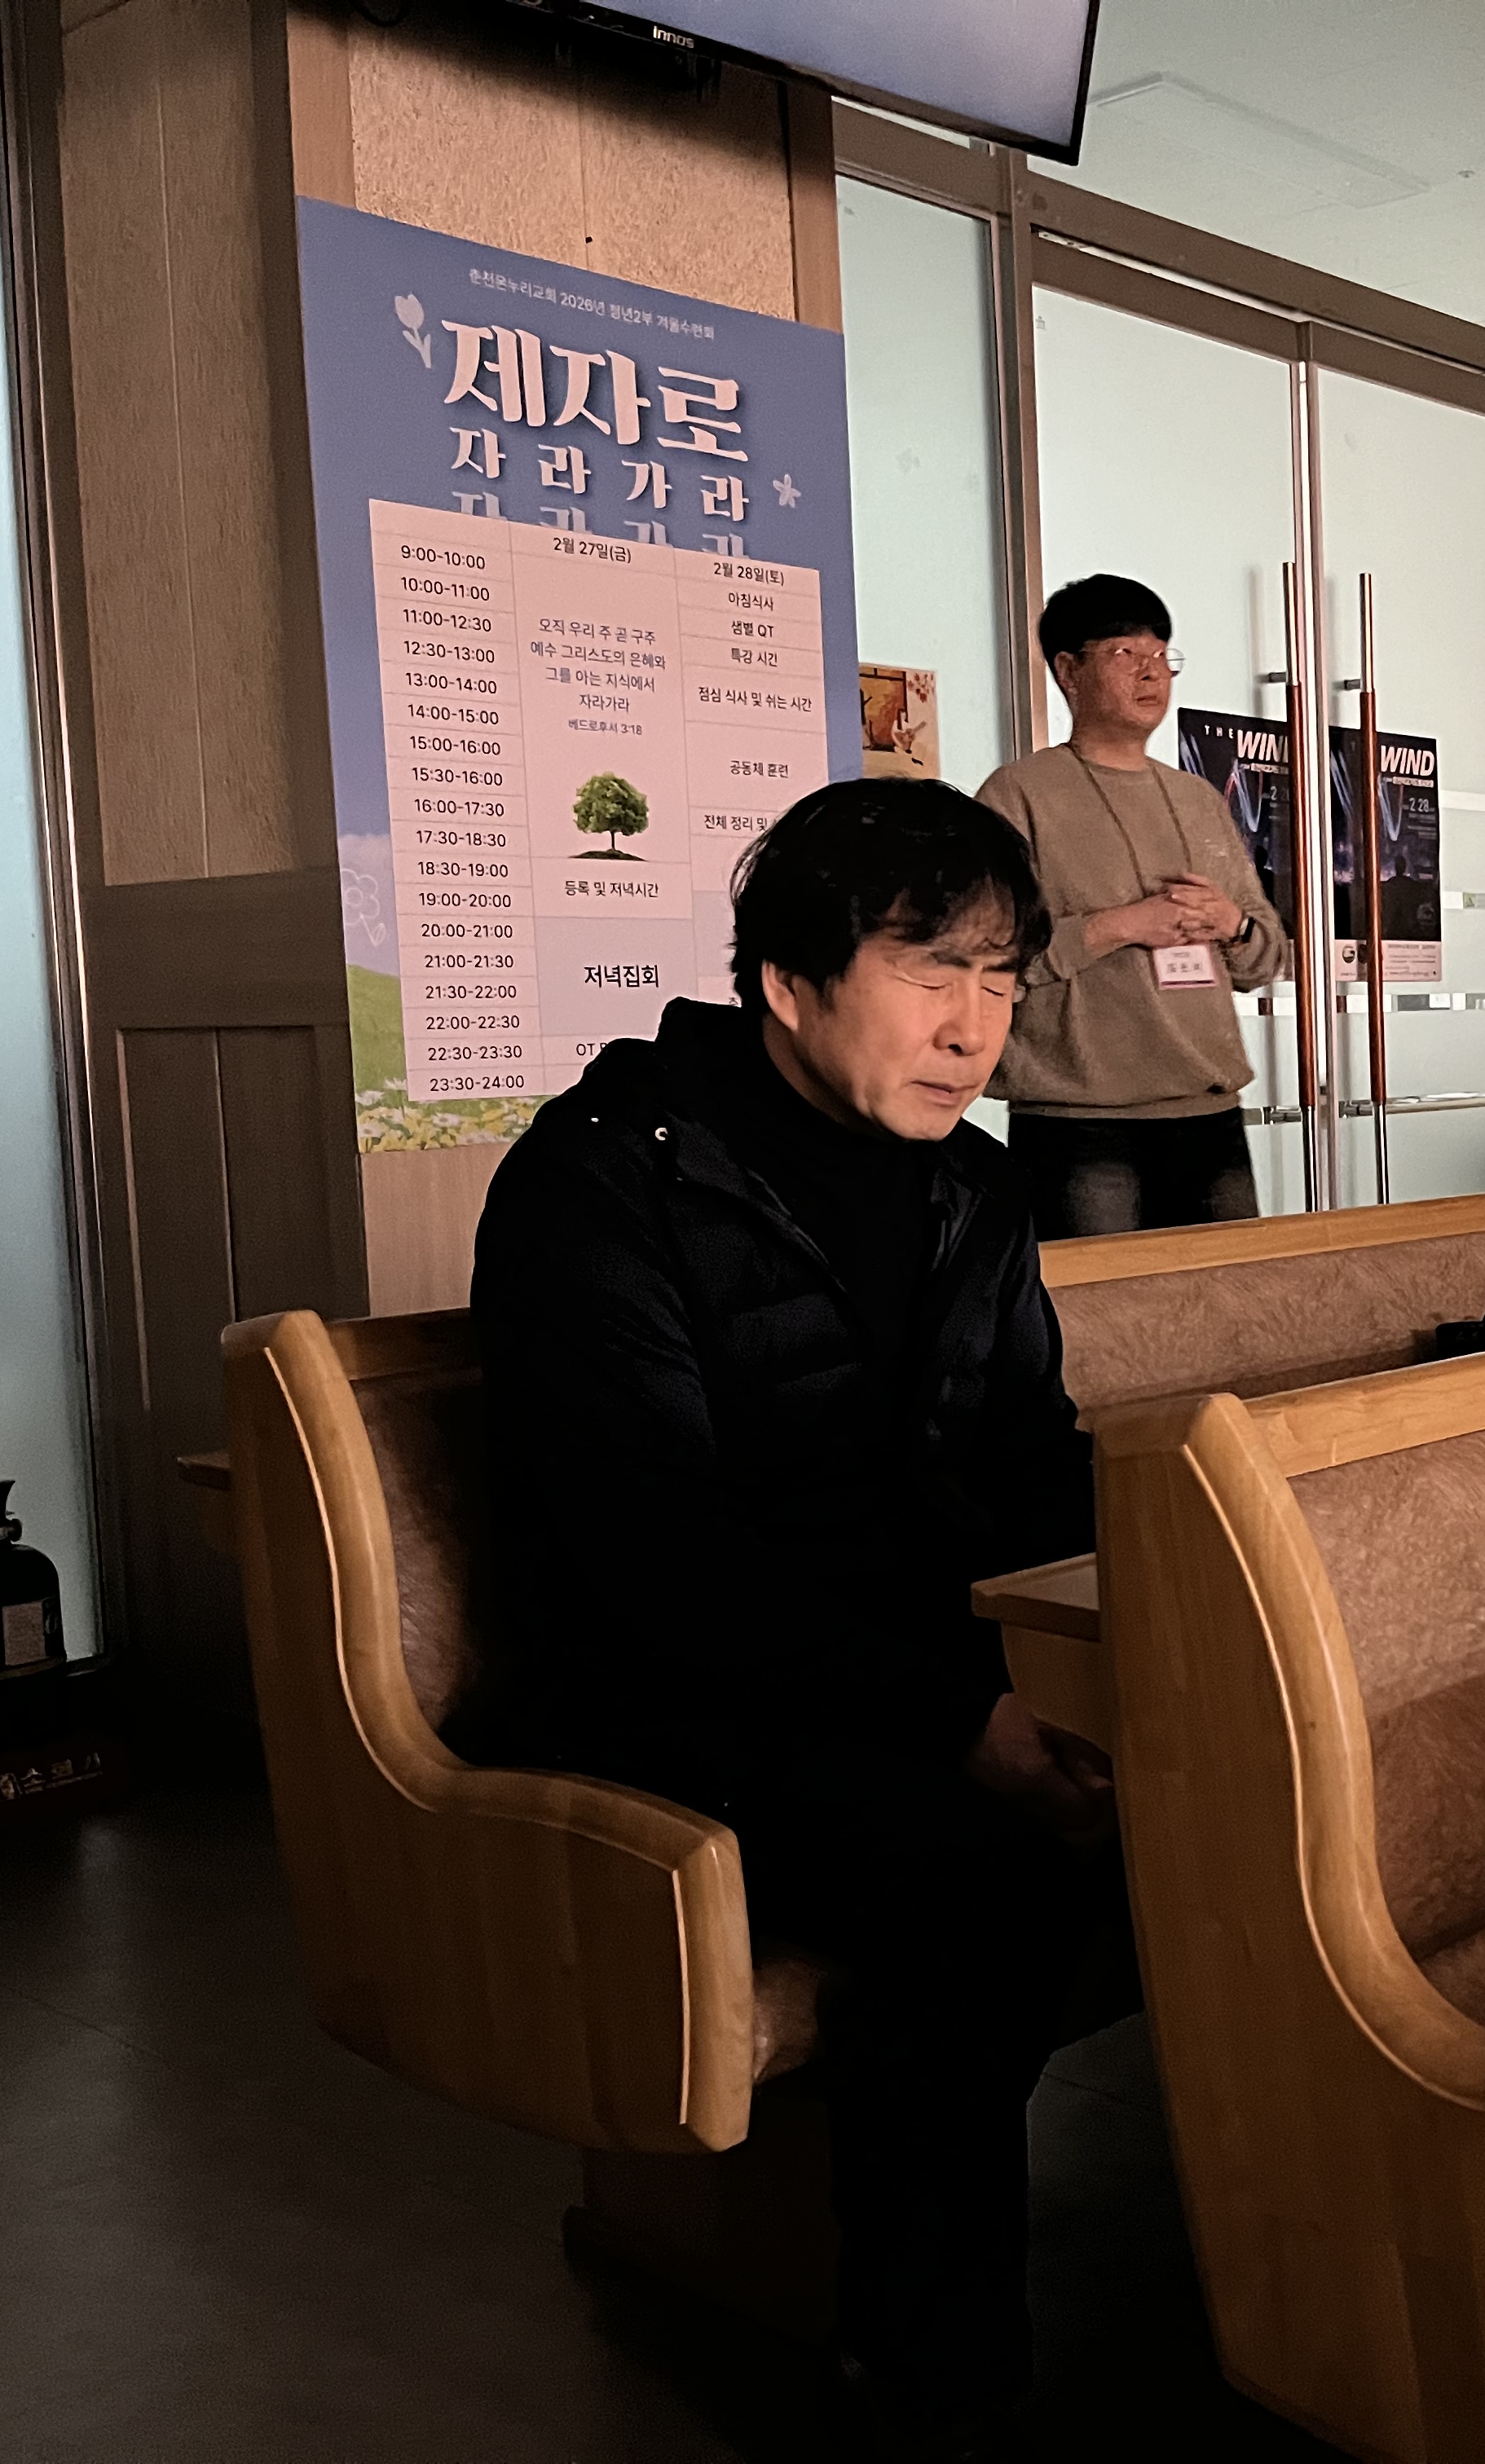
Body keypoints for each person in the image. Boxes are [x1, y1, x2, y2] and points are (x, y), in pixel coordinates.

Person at [473, 778, 1113, 2449]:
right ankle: (925, 2376)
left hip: (891, 1665)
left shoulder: (973, 1191)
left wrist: (1141, 1650)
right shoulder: (605, 1180)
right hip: (650, 1686)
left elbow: (1031, 1462)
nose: (972, 1025)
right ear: (787, 978)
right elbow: (654, 1556)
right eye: (929, 969)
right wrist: (962, 1721)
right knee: (975, 1878)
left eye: (1001, 978)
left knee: (1212, 1787)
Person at [976, 574, 1292, 1238]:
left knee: (1231, 1292)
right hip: (1079, 1123)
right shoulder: (1018, 794)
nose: (1151, 672)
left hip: (1209, 1108)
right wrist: (1119, 927)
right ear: (1069, 671)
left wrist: (1230, 923)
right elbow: (989, 959)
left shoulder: (1199, 798)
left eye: (1161, 655)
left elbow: (1265, 956)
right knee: (1106, 1300)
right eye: (1125, 654)